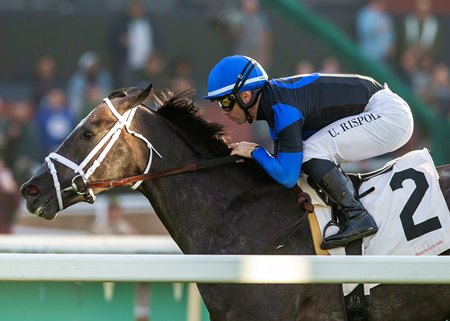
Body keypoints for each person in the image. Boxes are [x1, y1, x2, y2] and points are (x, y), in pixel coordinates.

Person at [204, 55, 414, 249]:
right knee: (309, 152)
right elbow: (284, 173)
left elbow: (287, 176)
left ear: (246, 95)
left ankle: (357, 215)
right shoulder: (275, 110)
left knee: (311, 151)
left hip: (388, 116)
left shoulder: (283, 110)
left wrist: (256, 152)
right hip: (381, 110)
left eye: (226, 101)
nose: (223, 111)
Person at [356, 0, 396, 68]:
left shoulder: (385, 16)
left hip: (384, 57)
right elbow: (365, 31)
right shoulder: (365, 14)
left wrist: (391, 45)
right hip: (369, 56)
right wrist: (378, 29)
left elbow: (391, 33)